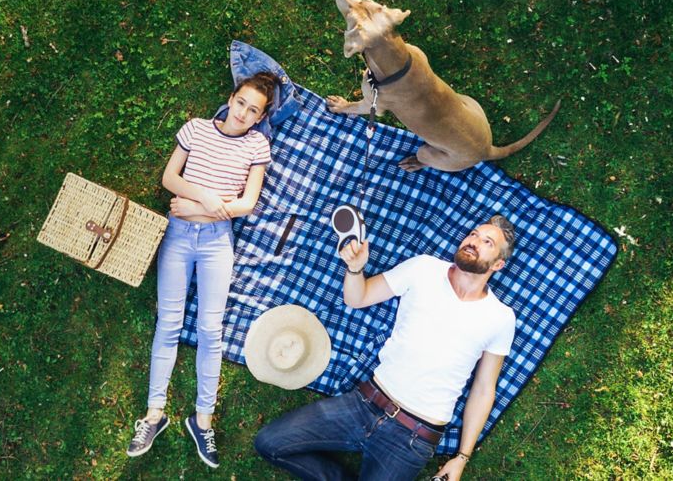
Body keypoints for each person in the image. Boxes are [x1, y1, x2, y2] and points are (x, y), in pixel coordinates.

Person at [251, 216, 520, 480]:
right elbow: (359, 297)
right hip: (362, 404)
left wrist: (461, 457)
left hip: (412, 437)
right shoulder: (424, 268)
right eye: (473, 234)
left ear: (498, 264)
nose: (473, 241)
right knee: (269, 442)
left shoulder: (500, 318)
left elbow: (484, 389)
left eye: (487, 242)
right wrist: (355, 269)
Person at [125, 72, 280, 468]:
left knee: (212, 330)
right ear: (231, 98)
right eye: (241, 103)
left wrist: (195, 206)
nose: (244, 113)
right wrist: (208, 196)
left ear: (261, 118)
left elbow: (247, 203)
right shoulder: (195, 129)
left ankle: (203, 418)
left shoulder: (257, 144)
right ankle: (154, 414)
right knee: (169, 324)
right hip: (177, 238)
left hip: (216, 242)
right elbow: (169, 178)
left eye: (254, 110)